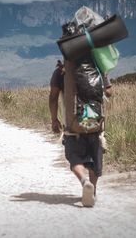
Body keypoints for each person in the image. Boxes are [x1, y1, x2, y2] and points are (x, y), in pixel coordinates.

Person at [49, 58, 112, 207]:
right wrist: (103, 77)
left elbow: (53, 97)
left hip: (73, 125)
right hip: (96, 123)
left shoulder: (61, 72)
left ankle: (84, 182)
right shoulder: (97, 66)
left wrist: (54, 119)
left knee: (74, 158)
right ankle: (93, 191)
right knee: (95, 160)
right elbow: (109, 92)